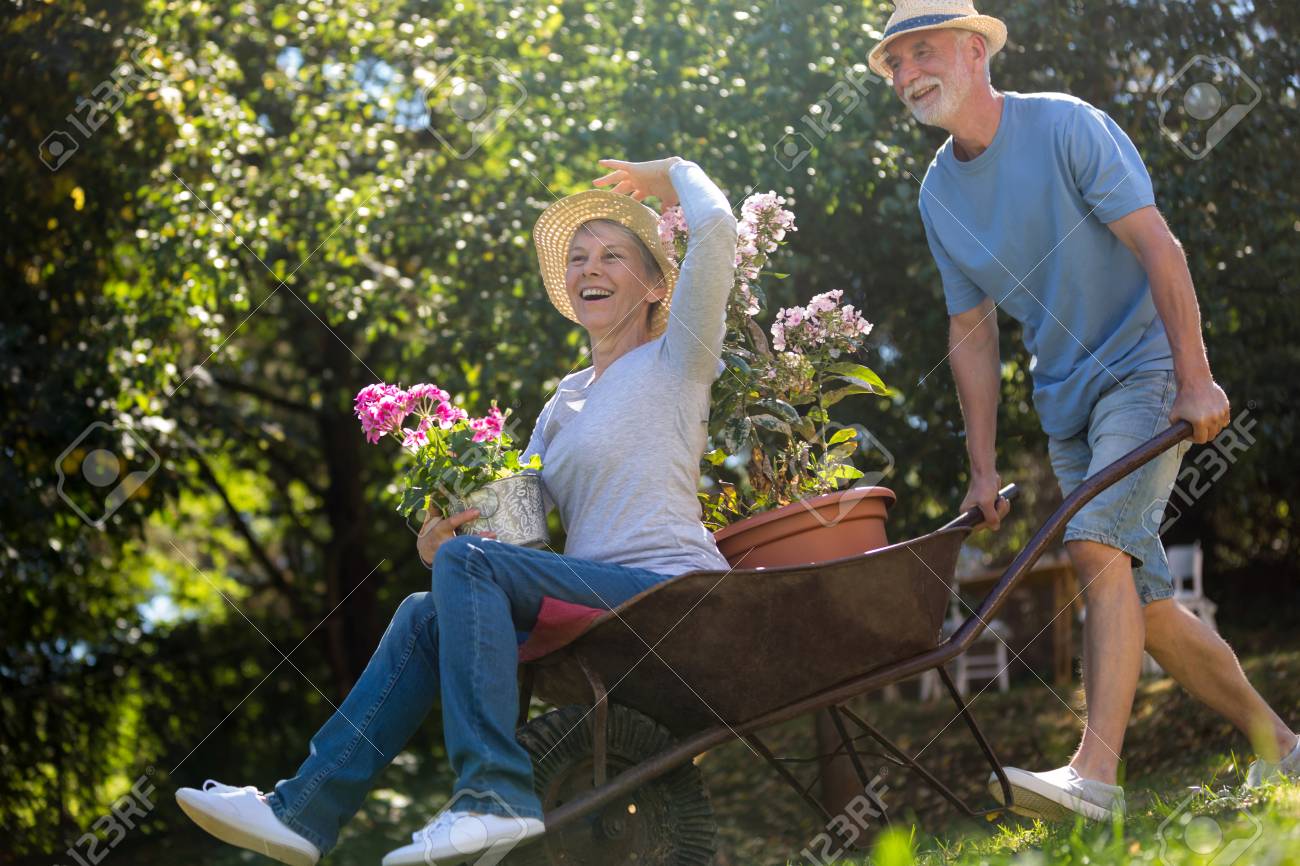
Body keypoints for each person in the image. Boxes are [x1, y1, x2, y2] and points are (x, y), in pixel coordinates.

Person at [174, 156, 738, 865]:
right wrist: (444, 543)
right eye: (578, 258)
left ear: (656, 284)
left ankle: (493, 797)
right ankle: (304, 812)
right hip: (604, 606)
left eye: (613, 256)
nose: (589, 268)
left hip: (672, 592)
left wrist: (673, 170)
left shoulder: (677, 359)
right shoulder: (563, 403)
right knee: (423, 609)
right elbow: (516, 544)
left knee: (470, 569)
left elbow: (717, 229)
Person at [868, 0, 1299, 822]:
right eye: (894, 63)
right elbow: (971, 328)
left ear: (971, 51)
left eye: (920, 52)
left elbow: (1156, 244)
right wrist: (984, 467)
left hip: (1142, 370)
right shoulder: (939, 196)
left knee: (1097, 544)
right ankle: (1279, 746)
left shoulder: (1067, 127)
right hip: (1066, 401)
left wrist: (1194, 376)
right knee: (1145, 605)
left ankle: (1094, 779)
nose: (906, 75)